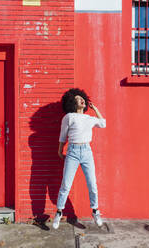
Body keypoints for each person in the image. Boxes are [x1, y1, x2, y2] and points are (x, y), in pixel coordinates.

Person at [53, 88, 106, 229]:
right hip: (73, 152)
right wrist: (60, 150)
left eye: (82, 98)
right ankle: (58, 212)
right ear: (72, 103)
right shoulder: (69, 117)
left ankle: (95, 211)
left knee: (92, 185)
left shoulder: (89, 118)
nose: (81, 100)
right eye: (77, 99)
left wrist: (95, 109)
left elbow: (103, 123)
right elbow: (63, 136)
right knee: (66, 184)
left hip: (87, 152)